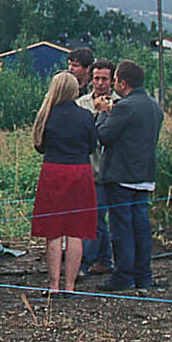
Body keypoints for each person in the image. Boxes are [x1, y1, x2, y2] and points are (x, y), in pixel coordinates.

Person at [96, 60, 164, 292]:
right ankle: (143, 274)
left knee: (121, 228)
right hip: (145, 174)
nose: (113, 84)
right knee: (141, 226)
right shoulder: (154, 106)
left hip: (121, 175)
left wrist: (104, 113)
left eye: (114, 80)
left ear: (123, 83)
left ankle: (123, 275)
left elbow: (104, 136)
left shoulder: (125, 106)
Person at [29, 72, 99, 296]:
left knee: (54, 231)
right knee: (75, 230)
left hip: (54, 171)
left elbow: (39, 145)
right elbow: (91, 145)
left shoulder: (46, 115)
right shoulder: (86, 116)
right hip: (80, 171)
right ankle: (70, 285)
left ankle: (54, 286)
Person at [77, 59, 118, 278]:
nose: (100, 83)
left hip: (113, 169)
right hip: (90, 168)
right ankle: (100, 259)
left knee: (99, 217)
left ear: (112, 81)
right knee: (94, 217)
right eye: (96, 78)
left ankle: (92, 260)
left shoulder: (120, 104)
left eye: (104, 79)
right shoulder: (82, 103)